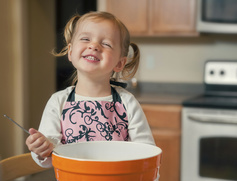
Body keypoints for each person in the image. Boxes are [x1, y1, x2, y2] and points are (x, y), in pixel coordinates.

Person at [26, 11, 155, 168]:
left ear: (119, 63)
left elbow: (147, 152)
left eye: (106, 44)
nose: (94, 46)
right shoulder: (58, 102)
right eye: (85, 39)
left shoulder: (127, 102)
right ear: (71, 52)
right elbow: (48, 158)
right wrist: (41, 148)